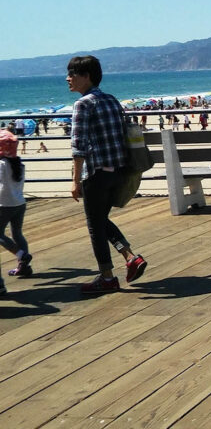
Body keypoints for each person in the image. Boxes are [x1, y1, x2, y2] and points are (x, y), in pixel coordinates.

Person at [66, 56, 147, 294]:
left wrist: (75, 181)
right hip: (118, 171)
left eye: (72, 74)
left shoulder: (83, 104)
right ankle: (130, 257)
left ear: (86, 76)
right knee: (100, 219)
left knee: (95, 225)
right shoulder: (111, 100)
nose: (68, 79)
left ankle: (107, 277)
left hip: (97, 174)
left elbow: (78, 146)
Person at [1, 130, 33, 286]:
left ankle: (21, 254)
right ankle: (24, 266)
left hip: (4, 205)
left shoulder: (1, 165)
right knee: (17, 234)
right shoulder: (19, 164)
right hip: (20, 203)